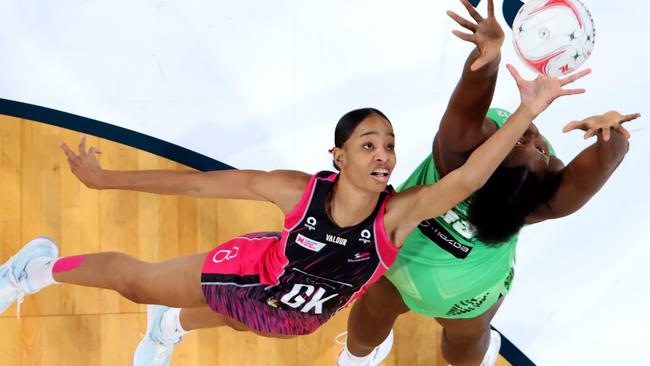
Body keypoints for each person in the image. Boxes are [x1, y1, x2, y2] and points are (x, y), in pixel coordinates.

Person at [0, 50, 587, 366]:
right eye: (368, 144)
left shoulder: (397, 213)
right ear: (338, 156)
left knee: (233, 318)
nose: (383, 155)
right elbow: (201, 186)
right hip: (250, 271)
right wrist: (108, 182)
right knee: (139, 283)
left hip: (297, 315)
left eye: (388, 145)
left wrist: (528, 112)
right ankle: (36, 269)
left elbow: (469, 178)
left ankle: (169, 328)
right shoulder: (296, 191)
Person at [337, 1, 641, 366]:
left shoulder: (456, 155)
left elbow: (469, 99)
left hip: (399, 257)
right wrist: (611, 131)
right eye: (539, 147)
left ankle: (355, 358)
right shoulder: (543, 202)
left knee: (375, 307)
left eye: (522, 143)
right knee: (467, 339)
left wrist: (489, 56)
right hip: (466, 292)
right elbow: (606, 160)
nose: (533, 135)